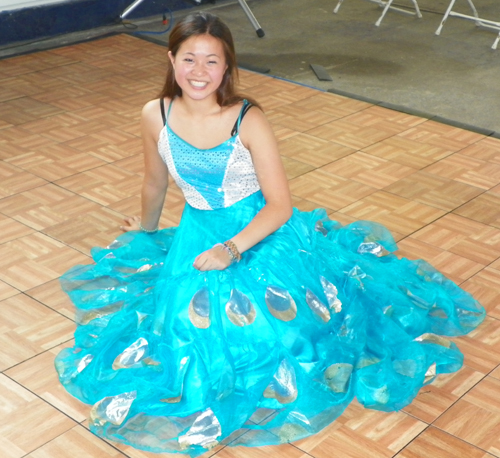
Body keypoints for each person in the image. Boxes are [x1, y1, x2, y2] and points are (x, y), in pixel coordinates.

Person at [55, 12, 485, 457]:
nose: (199, 72)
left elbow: (280, 206)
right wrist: (144, 233)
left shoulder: (247, 118)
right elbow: (154, 182)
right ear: (170, 59)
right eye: (189, 59)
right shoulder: (155, 114)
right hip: (196, 233)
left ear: (227, 67)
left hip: (259, 234)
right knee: (183, 324)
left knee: (271, 330)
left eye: (211, 61)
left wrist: (231, 248)